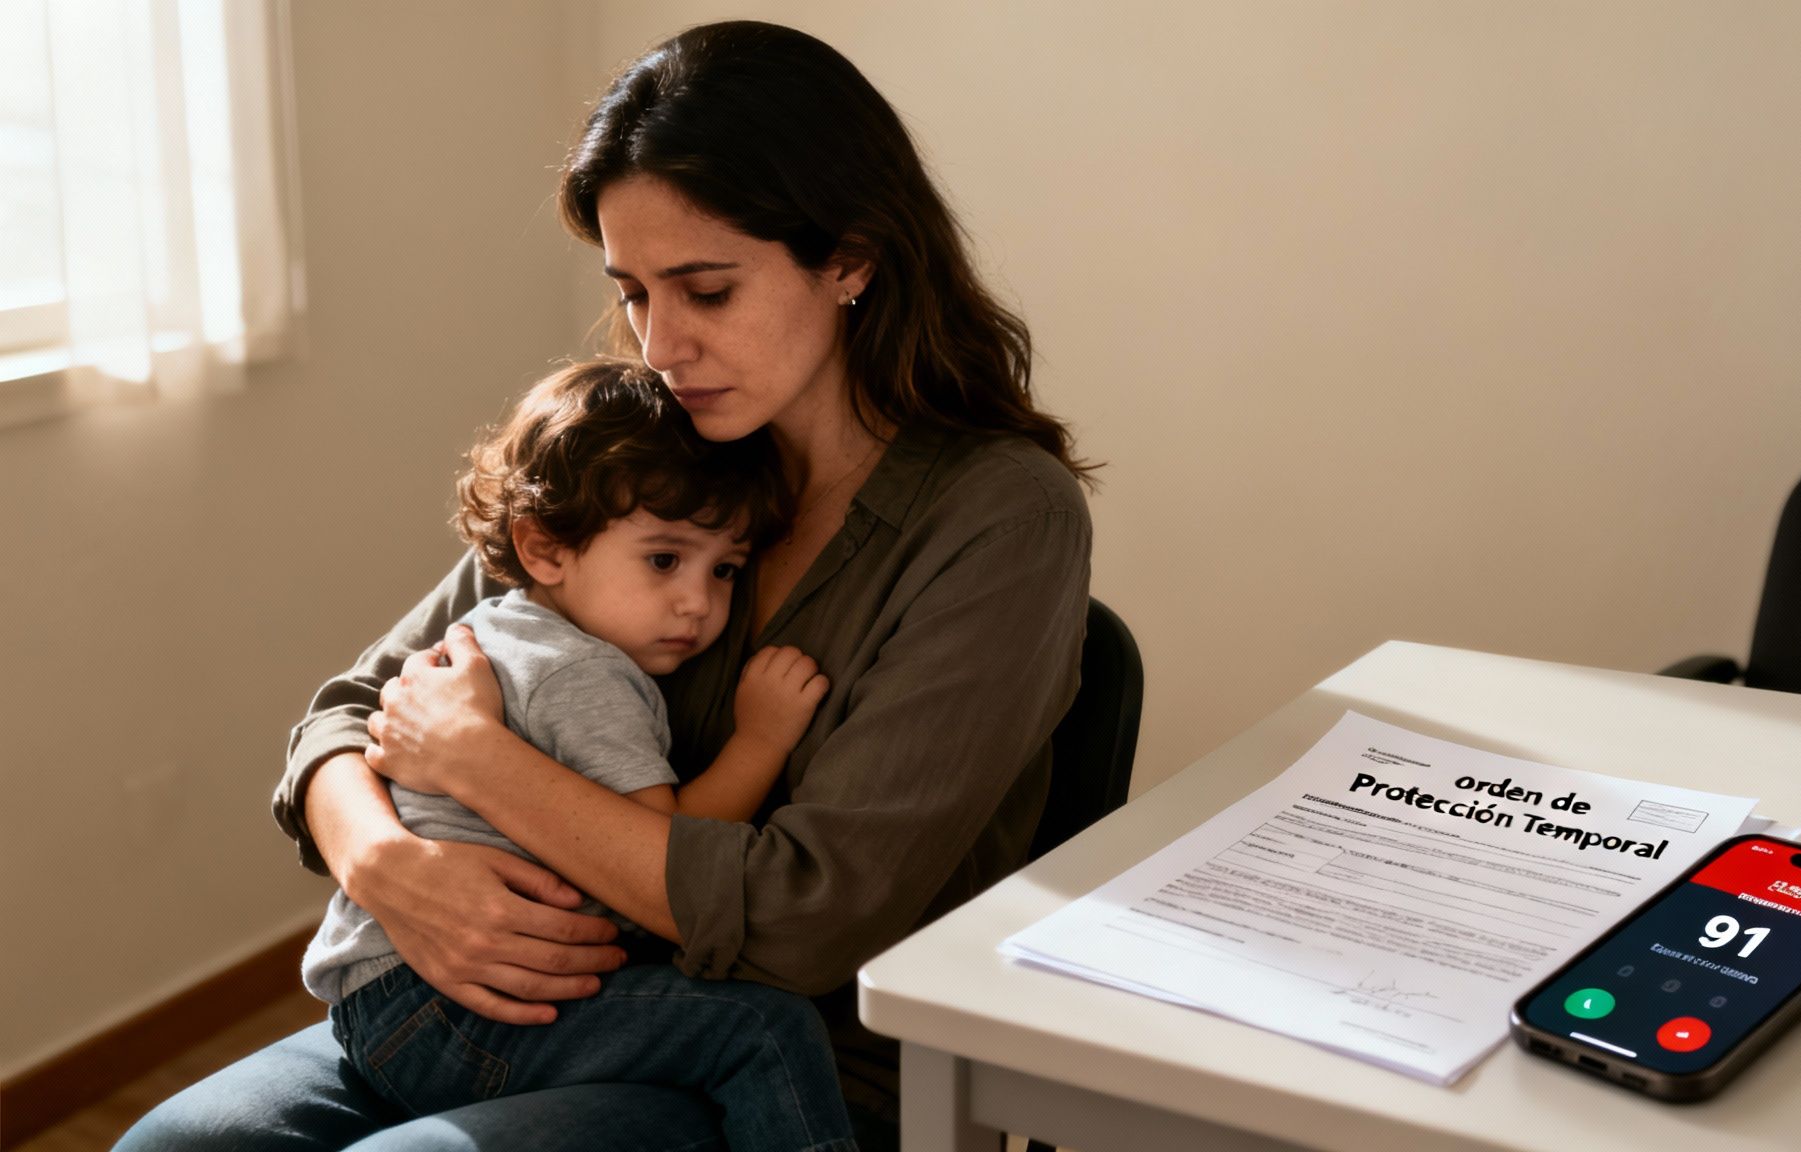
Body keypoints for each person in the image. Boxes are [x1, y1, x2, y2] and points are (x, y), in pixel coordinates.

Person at [118, 19, 1092, 1151]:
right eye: (633, 292)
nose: (661, 345)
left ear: (851, 260)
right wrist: (390, 866)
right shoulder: (650, 451)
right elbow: (351, 712)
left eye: (706, 291)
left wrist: (479, 762)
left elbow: (798, 922)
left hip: (795, 1062)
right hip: (495, 994)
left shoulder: (1001, 519)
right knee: (171, 1147)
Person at [301, 358, 855, 1152]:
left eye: (725, 569)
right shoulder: (579, 673)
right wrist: (761, 740)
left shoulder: (500, 626)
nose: (698, 602)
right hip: (454, 1006)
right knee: (764, 1030)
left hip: (378, 999)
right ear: (546, 548)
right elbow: (667, 852)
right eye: (664, 560)